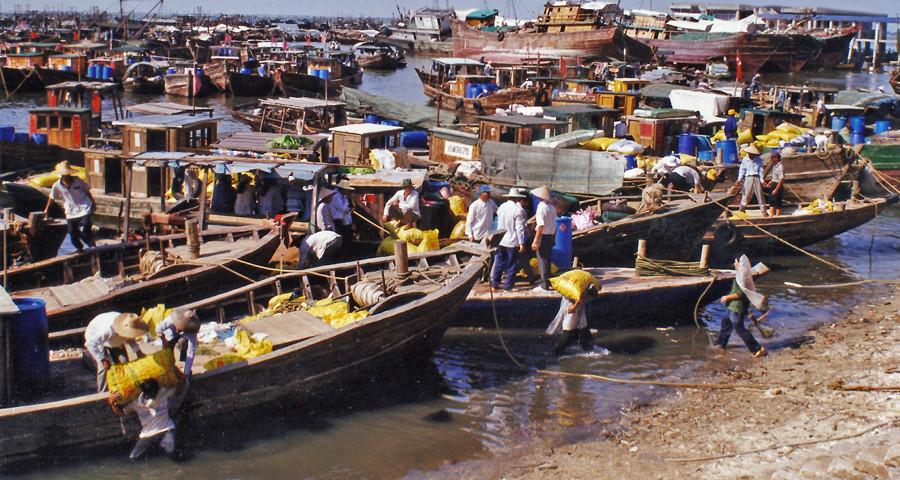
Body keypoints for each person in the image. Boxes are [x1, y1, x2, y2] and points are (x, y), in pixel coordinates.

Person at [111, 379, 178, 461]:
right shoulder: (136, 403)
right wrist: (112, 403)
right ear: (145, 393)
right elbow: (121, 413)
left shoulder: (164, 392)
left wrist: (184, 379)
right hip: (147, 435)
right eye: (151, 393)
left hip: (166, 429)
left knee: (172, 452)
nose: (154, 395)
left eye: (155, 392)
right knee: (133, 458)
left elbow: (178, 388)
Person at [716, 255, 767, 357]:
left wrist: (727, 297)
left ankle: (757, 348)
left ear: (740, 264)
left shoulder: (743, 277)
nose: (735, 264)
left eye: (736, 262)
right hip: (731, 307)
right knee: (725, 325)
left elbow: (740, 293)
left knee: (739, 328)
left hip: (737, 308)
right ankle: (720, 345)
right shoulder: (741, 274)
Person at [84, 312, 148, 392]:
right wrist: (102, 359)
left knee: (124, 362)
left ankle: (124, 388)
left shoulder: (129, 324)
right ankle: (102, 393)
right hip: (96, 337)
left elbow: (131, 340)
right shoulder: (108, 330)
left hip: (114, 340)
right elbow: (90, 344)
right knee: (104, 368)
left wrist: (138, 351)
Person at [45, 161, 95, 252]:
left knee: (85, 226)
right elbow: (51, 198)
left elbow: (87, 191)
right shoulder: (57, 185)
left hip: (84, 207)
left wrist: (93, 203)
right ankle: (79, 248)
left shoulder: (77, 181)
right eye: (64, 175)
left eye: (67, 174)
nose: (66, 176)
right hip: (70, 211)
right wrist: (46, 210)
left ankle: (91, 244)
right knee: (72, 233)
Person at [491, 188, 528, 290]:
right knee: (511, 264)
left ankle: (495, 283)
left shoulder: (502, 207)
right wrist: (521, 243)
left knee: (499, 261)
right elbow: (519, 228)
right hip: (512, 240)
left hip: (501, 239)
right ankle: (508, 286)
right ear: (517, 198)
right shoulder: (518, 210)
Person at [547, 284, 598, 355]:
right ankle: (552, 355)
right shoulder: (574, 296)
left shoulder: (580, 293)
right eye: (589, 297)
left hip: (581, 324)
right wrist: (577, 303)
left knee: (588, 343)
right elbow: (570, 310)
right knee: (560, 348)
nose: (589, 300)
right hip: (571, 326)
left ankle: (587, 349)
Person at [156, 308, 200, 380]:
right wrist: (164, 340)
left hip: (183, 338)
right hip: (170, 336)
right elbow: (158, 329)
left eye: (181, 329)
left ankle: (186, 369)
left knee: (183, 342)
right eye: (179, 328)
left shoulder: (191, 331)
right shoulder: (170, 320)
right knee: (167, 353)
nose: (179, 330)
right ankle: (170, 368)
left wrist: (186, 373)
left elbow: (191, 352)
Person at [531, 186, 557, 290]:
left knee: (542, 260)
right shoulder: (552, 208)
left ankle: (544, 284)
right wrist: (554, 237)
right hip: (550, 235)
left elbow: (540, 225)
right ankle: (548, 281)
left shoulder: (541, 207)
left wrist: (536, 240)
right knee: (547, 259)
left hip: (543, 235)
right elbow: (555, 225)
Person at [733, 144, 767, 215]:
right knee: (746, 194)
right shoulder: (745, 160)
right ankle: (742, 209)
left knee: (760, 195)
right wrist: (739, 179)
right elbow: (742, 170)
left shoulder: (758, 159)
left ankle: (764, 211)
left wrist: (762, 180)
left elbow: (761, 170)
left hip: (756, 177)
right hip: (748, 178)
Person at [764, 152, 785, 217]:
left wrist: (776, 189)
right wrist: (770, 182)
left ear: (776, 158)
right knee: (771, 200)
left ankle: (777, 215)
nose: (771, 159)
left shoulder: (780, 167)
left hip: (778, 185)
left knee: (777, 201)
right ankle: (771, 215)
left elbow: (781, 179)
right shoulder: (775, 166)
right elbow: (775, 177)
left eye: (772, 158)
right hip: (774, 183)